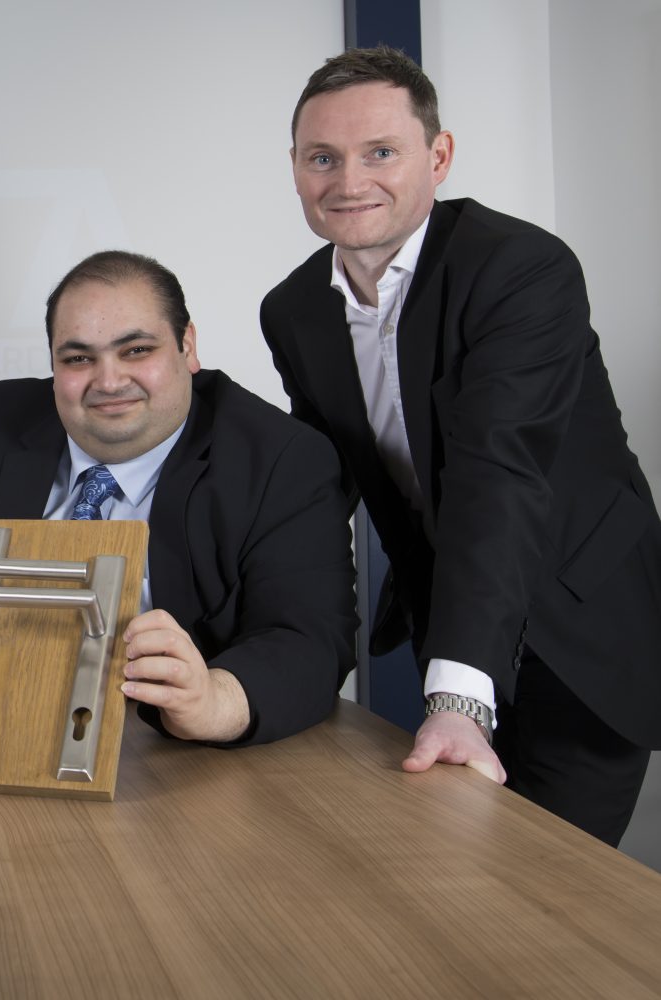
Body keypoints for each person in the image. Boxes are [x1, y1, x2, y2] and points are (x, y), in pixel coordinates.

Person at [261, 46, 661, 845]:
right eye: (322, 158)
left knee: (549, 896)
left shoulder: (520, 269)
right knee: (464, 884)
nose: (349, 181)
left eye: (381, 152)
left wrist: (454, 701)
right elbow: (314, 481)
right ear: (296, 168)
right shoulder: (294, 308)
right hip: (452, 618)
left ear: (438, 157)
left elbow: (498, 472)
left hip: (581, 629)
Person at [0, 251, 355, 746]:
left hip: (173, 756)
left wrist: (212, 700)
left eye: (137, 350)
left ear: (187, 346)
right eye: (78, 359)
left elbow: (309, 639)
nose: (109, 381)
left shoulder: (280, 459)